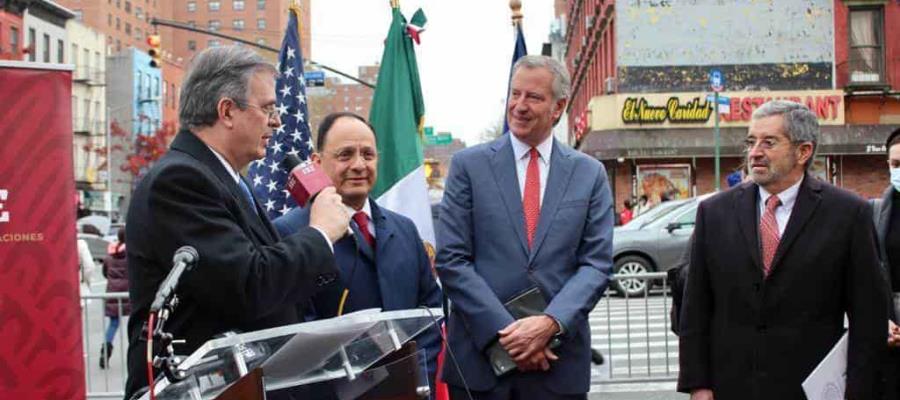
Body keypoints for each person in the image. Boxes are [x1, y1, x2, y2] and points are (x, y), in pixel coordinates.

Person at [124, 46, 350, 398]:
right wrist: (319, 233)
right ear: (227, 111)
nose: (276, 122)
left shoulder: (229, 179)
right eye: (267, 109)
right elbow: (247, 285)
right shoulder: (181, 180)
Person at [677, 100, 888, 400]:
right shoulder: (714, 213)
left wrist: (858, 390)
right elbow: (695, 307)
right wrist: (698, 385)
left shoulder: (847, 213)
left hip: (810, 390)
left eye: (769, 142)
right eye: (751, 142)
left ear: (803, 151)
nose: (754, 152)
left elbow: (869, 317)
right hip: (731, 387)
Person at [436, 55, 614, 400]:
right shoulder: (467, 166)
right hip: (480, 365)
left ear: (558, 107)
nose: (519, 105)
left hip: (558, 365)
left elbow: (596, 264)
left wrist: (549, 325)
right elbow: (452, 260)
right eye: (514, 94)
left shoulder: (589, 173)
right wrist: (511, 337)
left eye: (533, 97)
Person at [272, 111, 443, 394]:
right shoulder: (291, 233)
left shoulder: (405, 230)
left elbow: (429, 315)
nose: (359, 165)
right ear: (316, 163)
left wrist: (414, 380)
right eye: (345, 155)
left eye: (368, 154)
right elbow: (296, 331)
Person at [871, 126, 900, 398]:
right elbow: (865, 277)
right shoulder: (875, 213)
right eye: (896, 164)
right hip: (891, 331)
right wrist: (881, 320)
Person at [100, 229, 130, 369]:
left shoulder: (109, 257)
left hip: (112, 293)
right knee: (135, 323)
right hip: (129, 294)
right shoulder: (130, 255)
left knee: (113, 324)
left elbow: (105, 273)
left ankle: (105, 349)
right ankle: (135, 355)